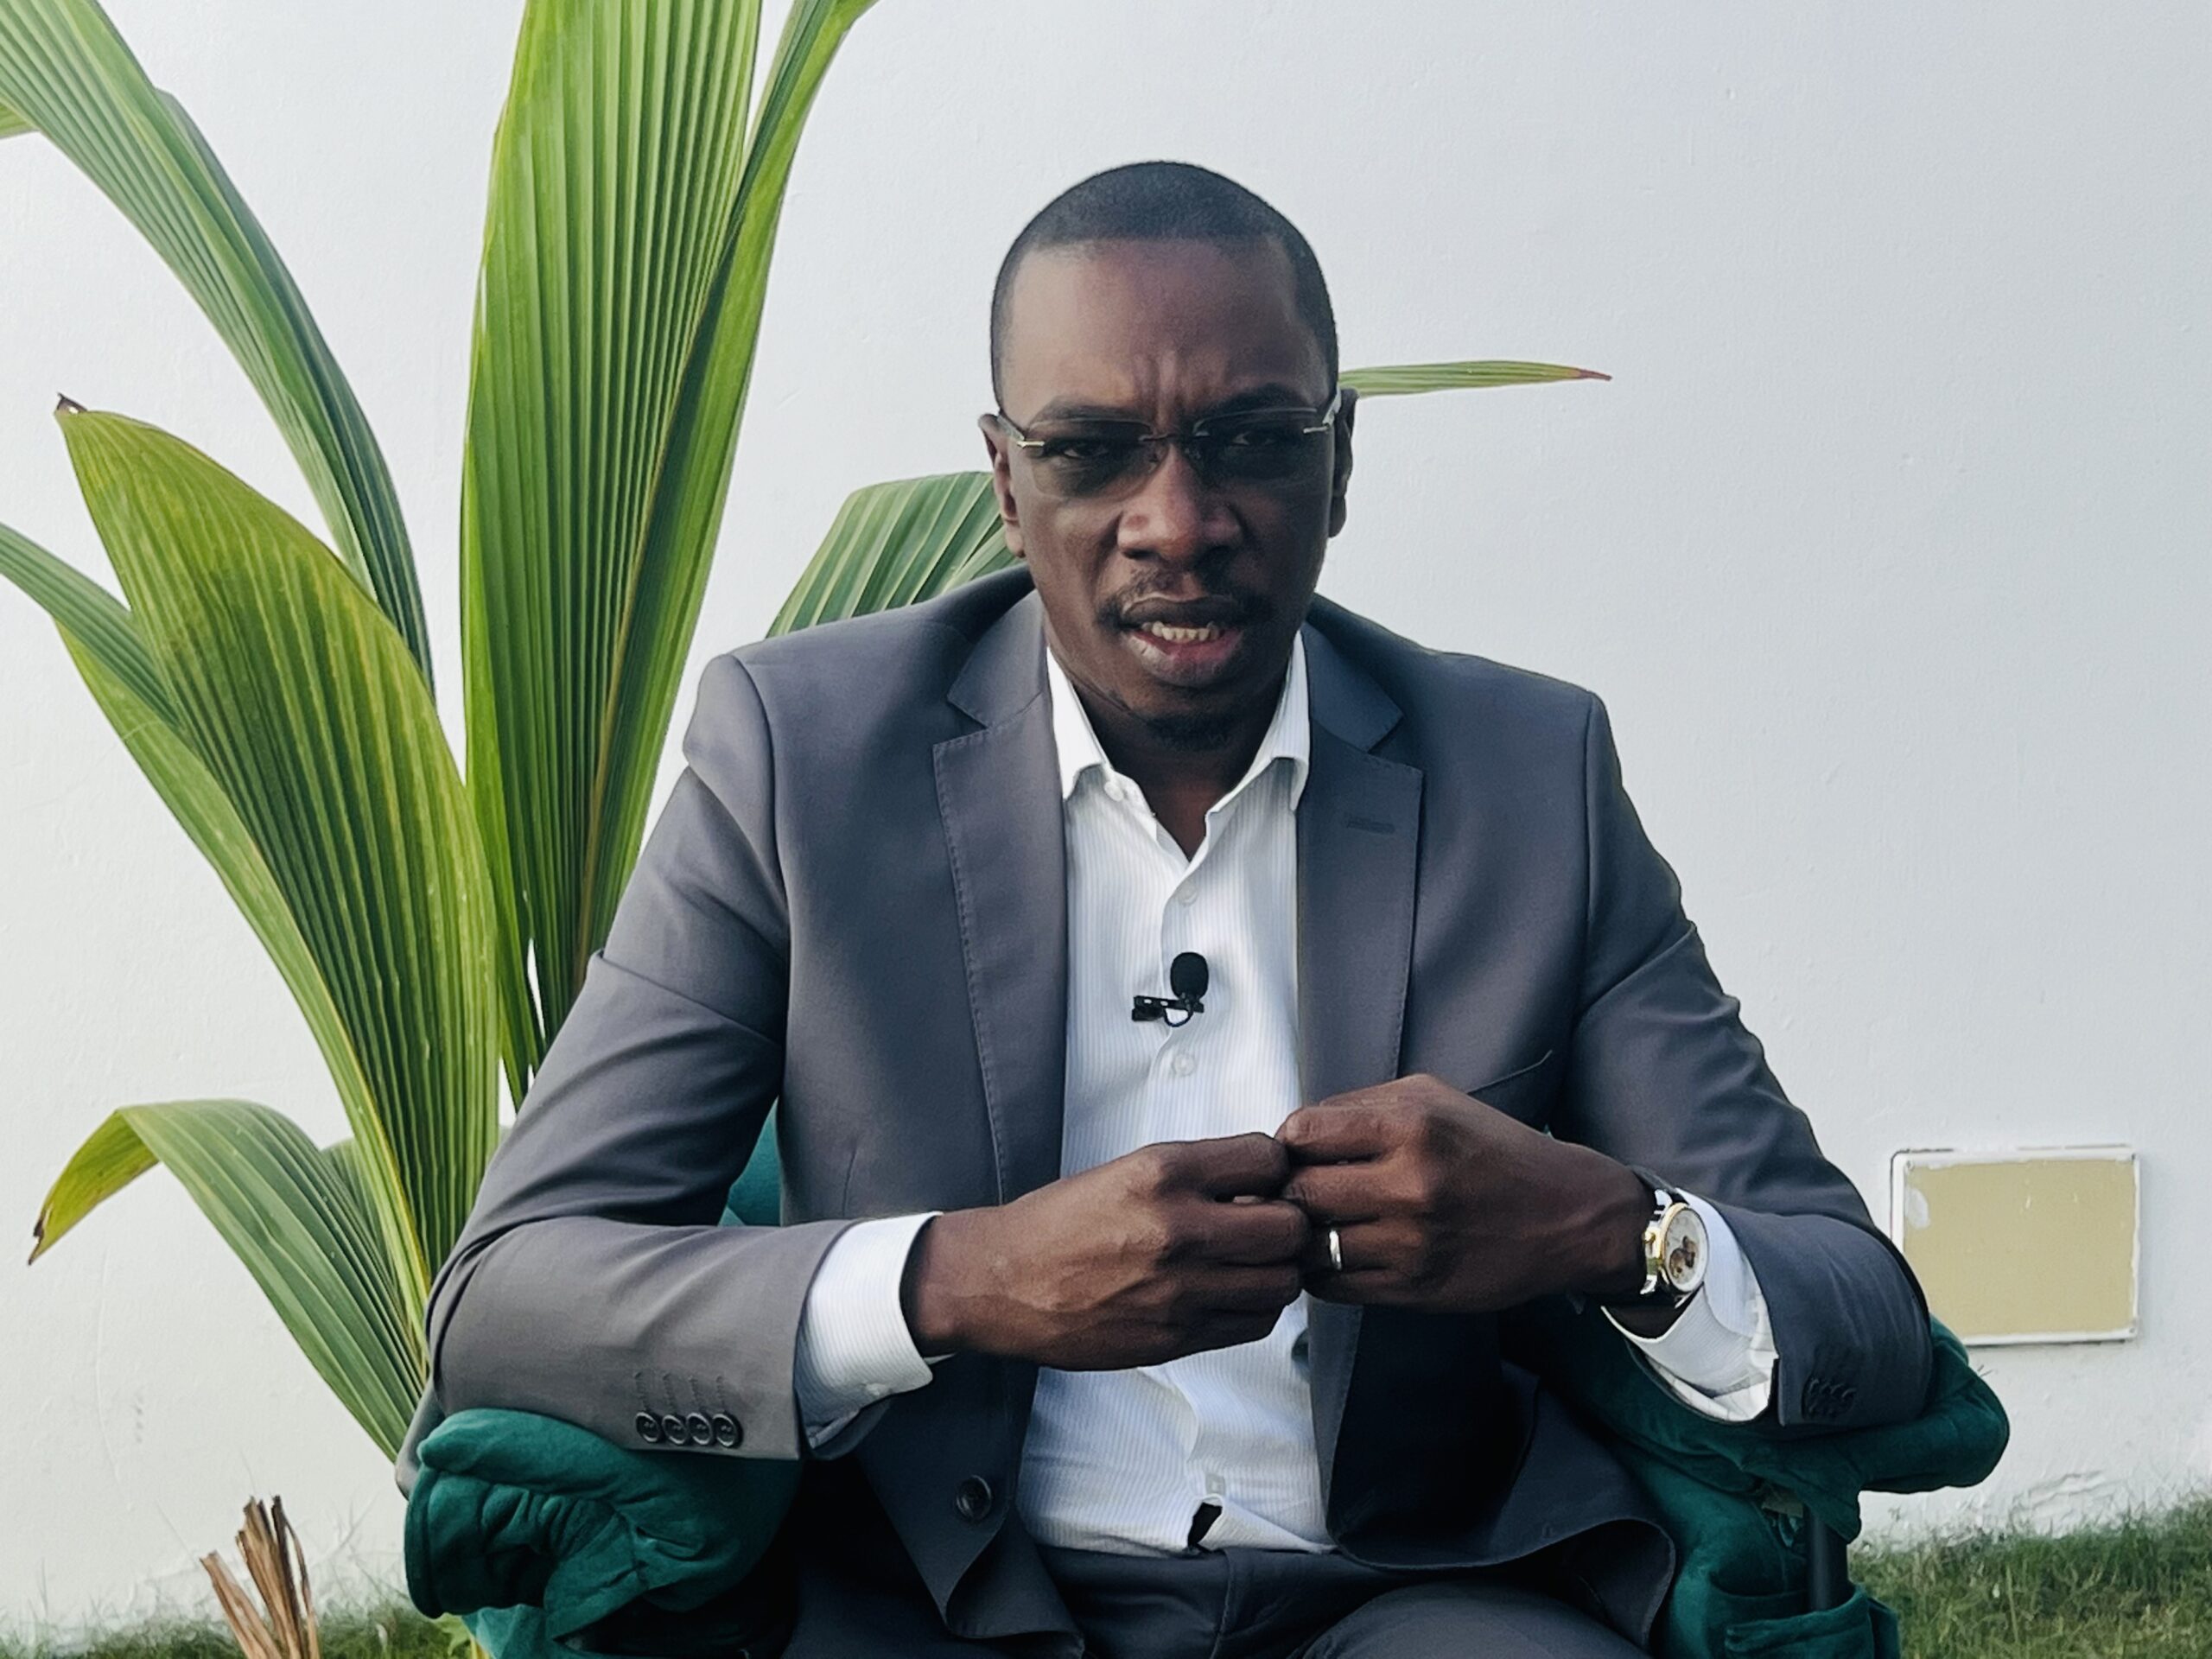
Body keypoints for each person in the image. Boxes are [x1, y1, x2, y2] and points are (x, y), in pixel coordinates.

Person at [402, 162, 1932, 1656]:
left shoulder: (1529, 779)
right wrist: (968, 1279)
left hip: (1409, 1591)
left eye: (1251, 441)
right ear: (1007, 483)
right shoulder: (798, 761)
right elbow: (510, 1296)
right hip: (920, 1597)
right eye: (1092, 452)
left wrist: (1595, 1228)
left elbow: (1859, 1308)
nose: (1178, 521)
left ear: (1340, 459)